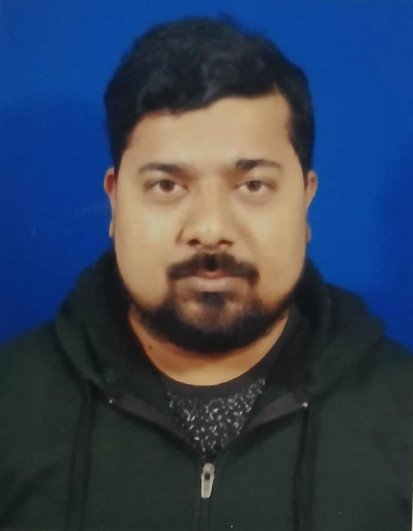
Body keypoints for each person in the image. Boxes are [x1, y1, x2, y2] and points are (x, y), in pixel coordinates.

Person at [0, 17, 412, 531]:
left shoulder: (403, 412)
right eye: (167, 186)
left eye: (253, 185)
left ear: (305, 199)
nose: (211, 229)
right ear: (115, 200)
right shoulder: (12, 405)